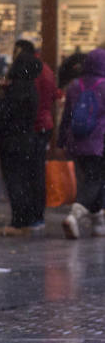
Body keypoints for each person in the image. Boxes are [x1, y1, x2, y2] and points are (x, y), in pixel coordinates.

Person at [0, 53, 41, 236]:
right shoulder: (31, 88)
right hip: (26, 140)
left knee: (14, 181)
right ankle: (25, 219)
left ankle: (18, 221)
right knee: (24, 180)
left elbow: (3, 115)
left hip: (11, 141)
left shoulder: (15, 90)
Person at [57, 48, 105, 239]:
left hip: (77, 143)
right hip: (99, 144)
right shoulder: (103, 86)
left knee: (93, 180)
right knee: (95, 181)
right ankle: (74, 216)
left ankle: (98, 224)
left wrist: (61, 142)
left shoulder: (75, 86)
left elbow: (66, 117)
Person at [14, 40, 59, 231]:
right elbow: (54, 95)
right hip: (43, 124)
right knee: (37, 172)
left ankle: (31, 215)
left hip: (34, 126)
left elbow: (29, 101)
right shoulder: (46, 69)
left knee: (30, 173)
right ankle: (36, 215)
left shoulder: (31, 71)